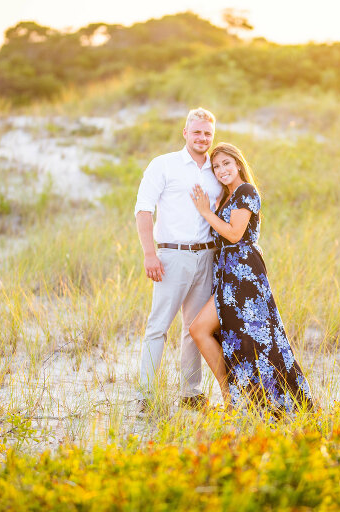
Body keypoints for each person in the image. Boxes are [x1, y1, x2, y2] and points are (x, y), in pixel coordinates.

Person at [189, 142, 314, 413]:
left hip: (244, 274)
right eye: (216, 166)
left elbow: (234, 234)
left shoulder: (246, 191)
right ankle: (233, 398)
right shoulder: (227, 197)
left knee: (254, 338)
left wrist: (205, 212)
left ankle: (253, 400)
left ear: (238, 164)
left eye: (226, 164)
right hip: (227, 273)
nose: (221, 170)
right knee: (227, 336)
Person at [134, 108, 223, 414]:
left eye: (208, 133)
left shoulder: (217, 169)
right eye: (197, 132)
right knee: (158, 326)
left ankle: (191, 392)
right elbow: (143, 209)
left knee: (194, 328)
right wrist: (150, 254)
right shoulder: (164, 165)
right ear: (185, 132)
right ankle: (146, 394)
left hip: (207, 255)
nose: (202, 138)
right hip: (172, 255)